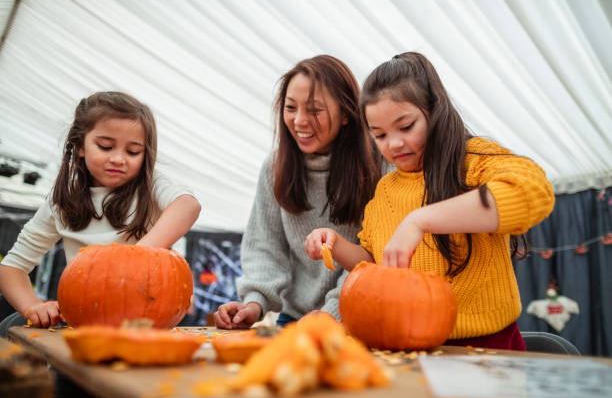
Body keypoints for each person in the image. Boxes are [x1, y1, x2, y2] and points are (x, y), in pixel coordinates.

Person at [305, 52, 555, 350]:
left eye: (406, 126)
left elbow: (533, 192)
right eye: (380, 135)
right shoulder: (385, 189)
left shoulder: (473, 160)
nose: (394, 144)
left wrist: (420, 220)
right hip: (406, 345)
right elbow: (377, 267)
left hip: (487, 347)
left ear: (433, 112)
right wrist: (336, 244)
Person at [0, 91, 201, 331]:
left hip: (143, 320)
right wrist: (32, 306)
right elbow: (12, 266)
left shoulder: (151, 186)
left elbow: (188, 205)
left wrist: (134, 257)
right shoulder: (62, 199)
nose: (118, 159)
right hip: (82, 321)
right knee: (10, 327)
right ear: (80, 146)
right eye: (105, 147)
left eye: (133, 151)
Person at [214, 55, 385, 329]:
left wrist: (331, 314)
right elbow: (264, 246)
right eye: (290, 107)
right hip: (294, 321)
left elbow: (373, 258)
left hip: (357, 320)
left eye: (315, 110)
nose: (299, 120)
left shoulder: (378, 165)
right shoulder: (274, 167)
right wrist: (254, 303)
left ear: (345, 114)